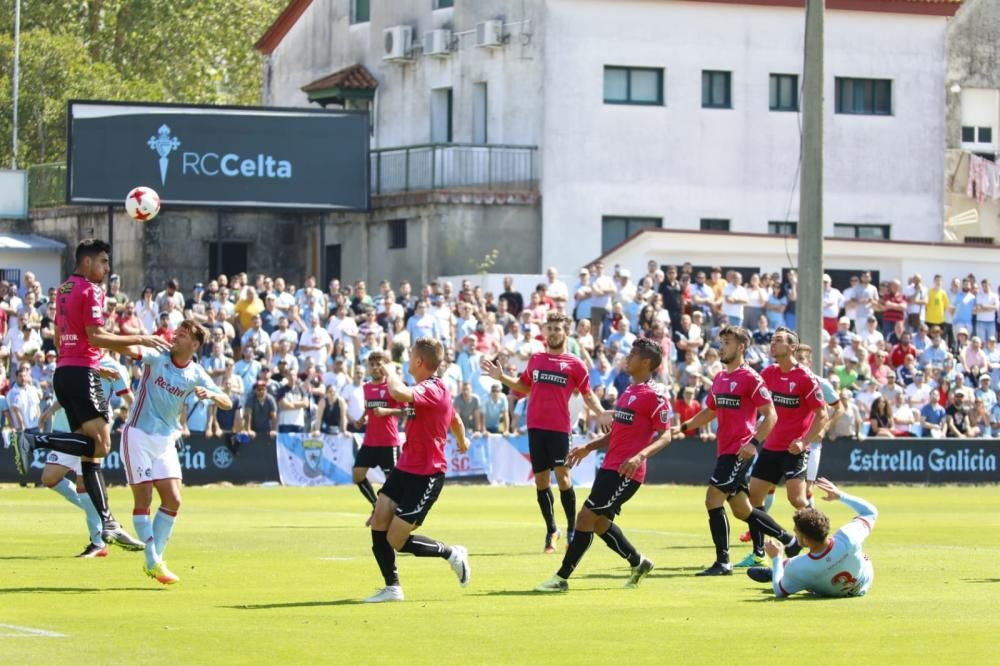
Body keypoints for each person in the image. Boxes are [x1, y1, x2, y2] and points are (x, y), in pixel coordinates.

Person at [8, 239, 171, 548]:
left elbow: (59, 336)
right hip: (81, 373)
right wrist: (141, 338)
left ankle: (107, 522)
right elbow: (96, 335)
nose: (107, 269)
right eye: (103, 262)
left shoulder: (65, 289)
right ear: (86, 263)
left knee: (90, 457)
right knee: (100, 446)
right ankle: (34, 439)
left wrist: (90, 364)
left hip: (66, 371)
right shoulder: (90, 290)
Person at [535, 339, 672, 592]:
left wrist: (640, 456)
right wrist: (588, 447)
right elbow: (616, 435)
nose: (627, 358)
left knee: (585, 517)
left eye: (632, 355)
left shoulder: (656, 395)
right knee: (598, 523)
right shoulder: (629, 391)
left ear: (646, 362)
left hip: (627, 472)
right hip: (610, 467)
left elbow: (666, 435)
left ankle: (561, 578)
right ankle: (638, 562)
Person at [672, 325, 801, 576]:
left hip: (738, 452)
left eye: (727, 343)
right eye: (721, 343)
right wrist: (684, 427)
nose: (722, 347)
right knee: (743, 510)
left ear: (741, 347)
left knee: (712, 499)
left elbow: (770, 415)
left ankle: (722, 562)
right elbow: (710, 411)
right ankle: (790, 541)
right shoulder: (720, 378)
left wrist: (753, 442)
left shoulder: (751, 378)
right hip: (724, 451)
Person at [481, 311, 608, 553]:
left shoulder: (575, 364)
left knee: (563, 478)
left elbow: (588, 393)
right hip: (535, 428)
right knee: (540, 481)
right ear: (545, 332)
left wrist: (601, 411)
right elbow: (523, 387)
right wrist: (502, 377)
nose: (553, 332)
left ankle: (572, 528)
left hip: (560, 428)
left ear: (566, 332)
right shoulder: (536, 359)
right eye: (549, 328)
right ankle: (552, 529)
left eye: (557, 328)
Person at [123, 319, 232, 584]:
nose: (176, 336)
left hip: (165, 440)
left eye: (182, 335)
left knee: (173, 500)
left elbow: (227, 402)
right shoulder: (158, 354)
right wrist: (137, 337)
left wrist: (212, 394)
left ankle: (155, 560)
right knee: (144, 499)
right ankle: (153, 560)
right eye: (177, 332)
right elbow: (130, 349)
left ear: (194, 345)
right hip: (138, 433)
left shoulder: (195, 373)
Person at [364, 338, 471, 603]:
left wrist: (388, 369)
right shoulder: (425, 389)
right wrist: (462, 440)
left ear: (420, 362)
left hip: (427, 474)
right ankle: (393, 588)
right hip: (405, 467)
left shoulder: (433, 388)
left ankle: (451, 553)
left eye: (411, 356)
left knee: (396, 539)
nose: (408, 360)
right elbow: (454, 419)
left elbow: (399, 393)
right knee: (378, 519)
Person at [737, 328, 828, 568]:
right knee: (752, 499)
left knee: (797, 499)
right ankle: (758, 552)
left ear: (792, 348)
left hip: (794, 450)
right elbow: (759, 404)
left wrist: (804, 441)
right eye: (772, 340)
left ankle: (820, 541)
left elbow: (823, 415)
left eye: (778, 341)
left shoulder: (806, 378)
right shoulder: (768, 373)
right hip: (771, 447)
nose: (772, 344)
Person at [37, 353, 135, 557]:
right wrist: (50, 410)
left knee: (84, 487)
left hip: (92, 432)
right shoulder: (75, 359)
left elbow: (128, 398)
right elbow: (66, 396)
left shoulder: (113, 366)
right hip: (65, 428)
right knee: (49, 478)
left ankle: (98, 542)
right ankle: (99, 514)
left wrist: (129, 419)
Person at [747, 478, 877, 598]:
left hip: (827, 590)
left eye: (796, 532)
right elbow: (871, 512)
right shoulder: (848, 537)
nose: (795, 535)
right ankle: (783, 572)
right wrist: (840, 496)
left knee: (801, 575)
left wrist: (776, 558)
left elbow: (779, 591)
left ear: (806, 540)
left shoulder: (798, 566)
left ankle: (777, 571)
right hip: (863, 584)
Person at [351, 351, 405, 522]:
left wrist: (387, 411)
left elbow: (410, 411)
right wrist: (362, 419)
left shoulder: (394, 386)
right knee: (358, 474)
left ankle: (397, 516)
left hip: (389, 442)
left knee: (393, 484)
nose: (375, 367)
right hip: (370, 441)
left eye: (378, 364)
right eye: (372, 364)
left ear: (385, 365)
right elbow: (369, 408)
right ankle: (376, 506)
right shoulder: (366, 387)